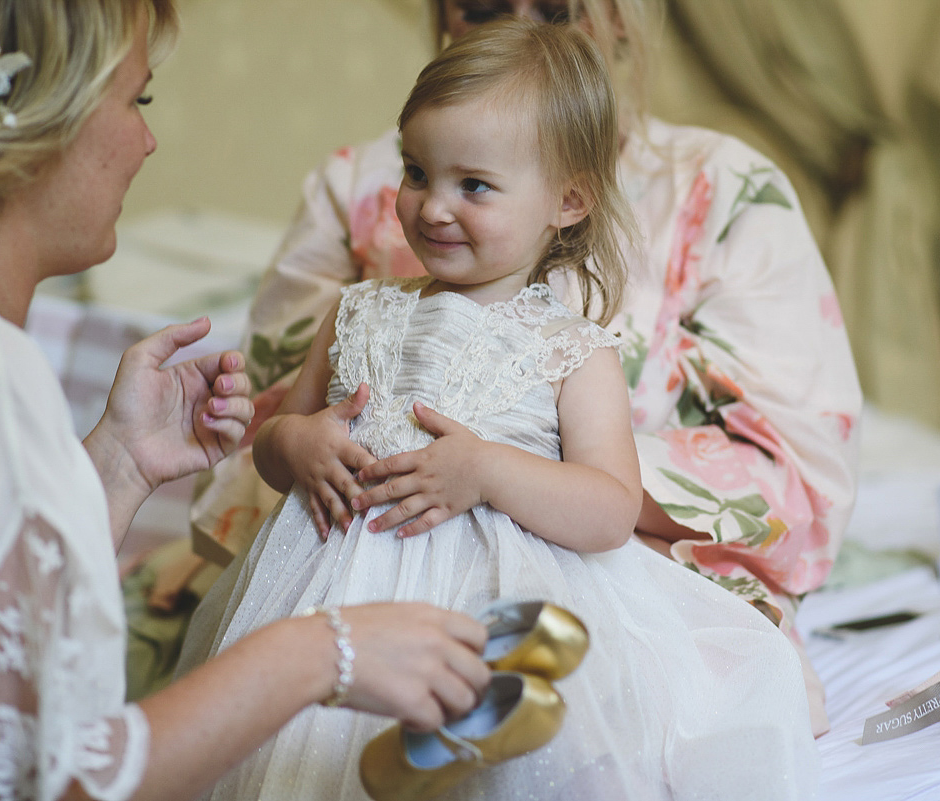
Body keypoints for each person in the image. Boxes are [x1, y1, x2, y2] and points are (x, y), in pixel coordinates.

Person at [0, 3, 492, 800]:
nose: (146, 141)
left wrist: (119, 464)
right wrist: (324, 651)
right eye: (136, 101)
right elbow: (45, 781)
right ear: (48, 121)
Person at [181, 0, 862, 735]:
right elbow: (274, 427)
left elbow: (754, 482)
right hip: (343, 572)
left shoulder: (704, 208)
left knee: (584, 723)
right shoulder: (357, 244)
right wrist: (296, 442)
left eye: (556, 7)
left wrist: (503, 472)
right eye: (482, 6)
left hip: (563, 574)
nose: (435, 209)